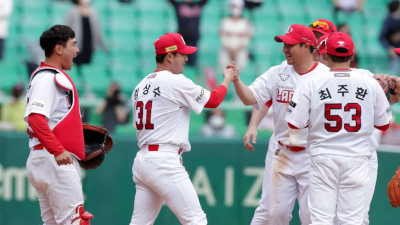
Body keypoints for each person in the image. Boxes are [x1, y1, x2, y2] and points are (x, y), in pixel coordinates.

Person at [129, 32, 237, 225]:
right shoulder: (175, 81)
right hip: (163, 160)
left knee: (140, 222)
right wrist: (227, 79)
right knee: (196, 220)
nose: (187, 58)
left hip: (144, 160)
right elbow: (213, 100)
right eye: (182, 54)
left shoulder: (140, 85)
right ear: (170, 56)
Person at [287, 32, 392, 225]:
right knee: (352, 220)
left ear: (325, 56)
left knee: (321, 220)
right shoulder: (370, 83)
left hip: (323, 157)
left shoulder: (311, 82)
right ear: (352, 56)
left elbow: (294, 123)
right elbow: (383, 123)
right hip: (357, 158)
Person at [233, 24, 329, 225]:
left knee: (311, 215)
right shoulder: (277, 72)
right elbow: (250, 98)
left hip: (313, 154)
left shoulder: (326, 76)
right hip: (282, 151)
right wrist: (236, 81)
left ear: (306, 46)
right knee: (275, 215)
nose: (285, 48)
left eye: (290, 44)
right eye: (284, 44)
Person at [24, 25, 93, 225]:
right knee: (76, 221)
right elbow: (36, 118)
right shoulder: (48, 78)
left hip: (45, 157)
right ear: (59, 49)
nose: (77, 50)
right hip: (53, 159)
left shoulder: (47, 76)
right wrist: (58, 150)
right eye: (73, 44)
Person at [65, 0, 106, 67]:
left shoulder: (93, 11)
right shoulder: (72, 10)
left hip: (89, 45)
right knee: (76, 65)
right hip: (77, 44)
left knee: (87, 65)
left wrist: (103, 45)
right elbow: (67, 27)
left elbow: (97, 29)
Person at [168, 0, 208, 67]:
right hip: (182, 39)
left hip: (194, 38)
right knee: (180, 62)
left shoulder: (198, 5)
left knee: (192, 62)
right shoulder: (179, 5)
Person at [219, 0, 253, 71]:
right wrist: (230, 50)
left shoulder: (246, 22)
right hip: (226, 51)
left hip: (241, 52)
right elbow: (222, 37)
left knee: (240, 71)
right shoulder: (225, 21)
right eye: (233, 6)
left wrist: (236, 50)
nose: (235, 9)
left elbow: (247, 39)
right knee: (225, 71)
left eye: (237, 7)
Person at [379, 0, 400, 75]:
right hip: (394, 51)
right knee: (393, 74)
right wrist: (389, 48)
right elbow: (382, 37)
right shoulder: (388, 20)